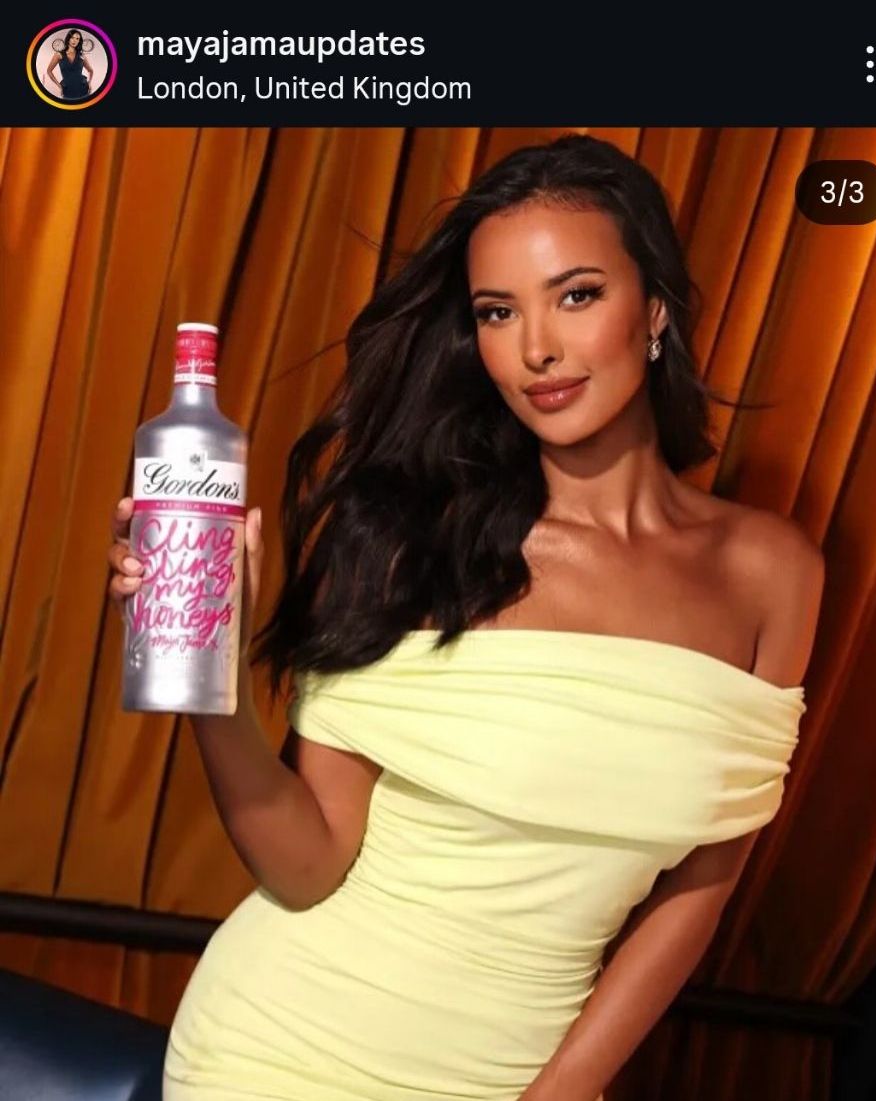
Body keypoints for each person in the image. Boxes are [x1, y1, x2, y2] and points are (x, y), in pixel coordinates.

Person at [107, 134, 824, 1101]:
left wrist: (558, 1091)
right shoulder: (410, 542)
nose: (535, 348)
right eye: (497, 311)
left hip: (522, 1073)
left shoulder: (773, 575)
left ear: (654, 306)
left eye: (576, 295)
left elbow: (702, 885)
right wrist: (214, 675)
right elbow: (308, 865)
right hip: (285, 1049)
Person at [46, 29, 93, 100]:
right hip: (67, 90)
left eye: (77, 39)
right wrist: (59, 86)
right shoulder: (59, 55)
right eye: (72, 38)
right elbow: (49, 71)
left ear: (79, 41)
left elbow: (90, 70)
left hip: (83, 89)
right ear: (68, 39)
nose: (74, 40)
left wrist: (89, 83)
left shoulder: (82, 55)